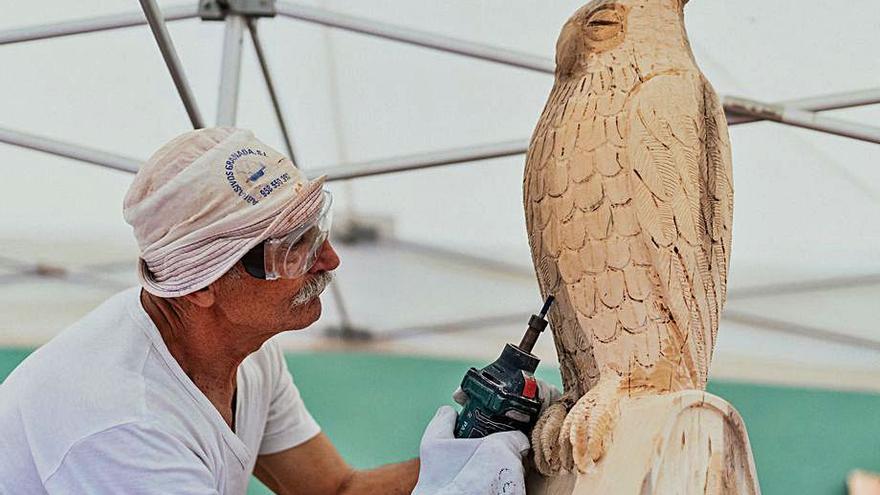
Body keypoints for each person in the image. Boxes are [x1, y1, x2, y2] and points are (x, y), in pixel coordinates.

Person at [0, 128, 548, 494]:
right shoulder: (119, 425)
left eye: (317, 232)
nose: (329, 259)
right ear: (199, 285)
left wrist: (468, 453)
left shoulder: (243, 354)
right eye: (294, 248)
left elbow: (335, 491)